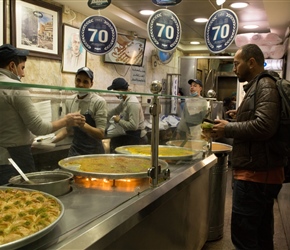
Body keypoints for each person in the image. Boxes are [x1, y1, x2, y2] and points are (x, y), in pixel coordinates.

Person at [211, 44, 286, 250]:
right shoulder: (259, 86)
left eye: (236, 64)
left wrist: (228, 129)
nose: (234, 69)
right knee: (261, 235)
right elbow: (262, 119)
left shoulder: (265, 85)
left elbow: (264, 127)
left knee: (244, 238)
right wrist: (241, 116)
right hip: (260, 174)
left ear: (251, 62)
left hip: (255, 176)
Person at [0, 44, 85, 185]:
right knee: (23, 200)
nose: (23, 74)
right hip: (14, 158)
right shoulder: (15, 87)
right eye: (22, 68)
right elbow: (39, 128)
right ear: (11, 66)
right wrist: (66, 121)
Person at [53, 67, 107, 156]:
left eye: (85, 82)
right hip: (75, 151)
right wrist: (49, 140)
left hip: (94, 153)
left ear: (91, 84)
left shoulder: (99, 102)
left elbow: (101, 134)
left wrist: (83, 124)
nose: (81, 85)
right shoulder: (69, 100)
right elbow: (68, 130)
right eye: (78, 80)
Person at [106, 77, 147, 153]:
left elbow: (134, 126)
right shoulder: (125, 100)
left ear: (120, 91)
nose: (115, 95)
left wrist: (119, 121)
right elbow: (115, 111)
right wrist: (103, 116)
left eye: (115, 92)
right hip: (128, 135)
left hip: (137, 138)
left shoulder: (132, 103)